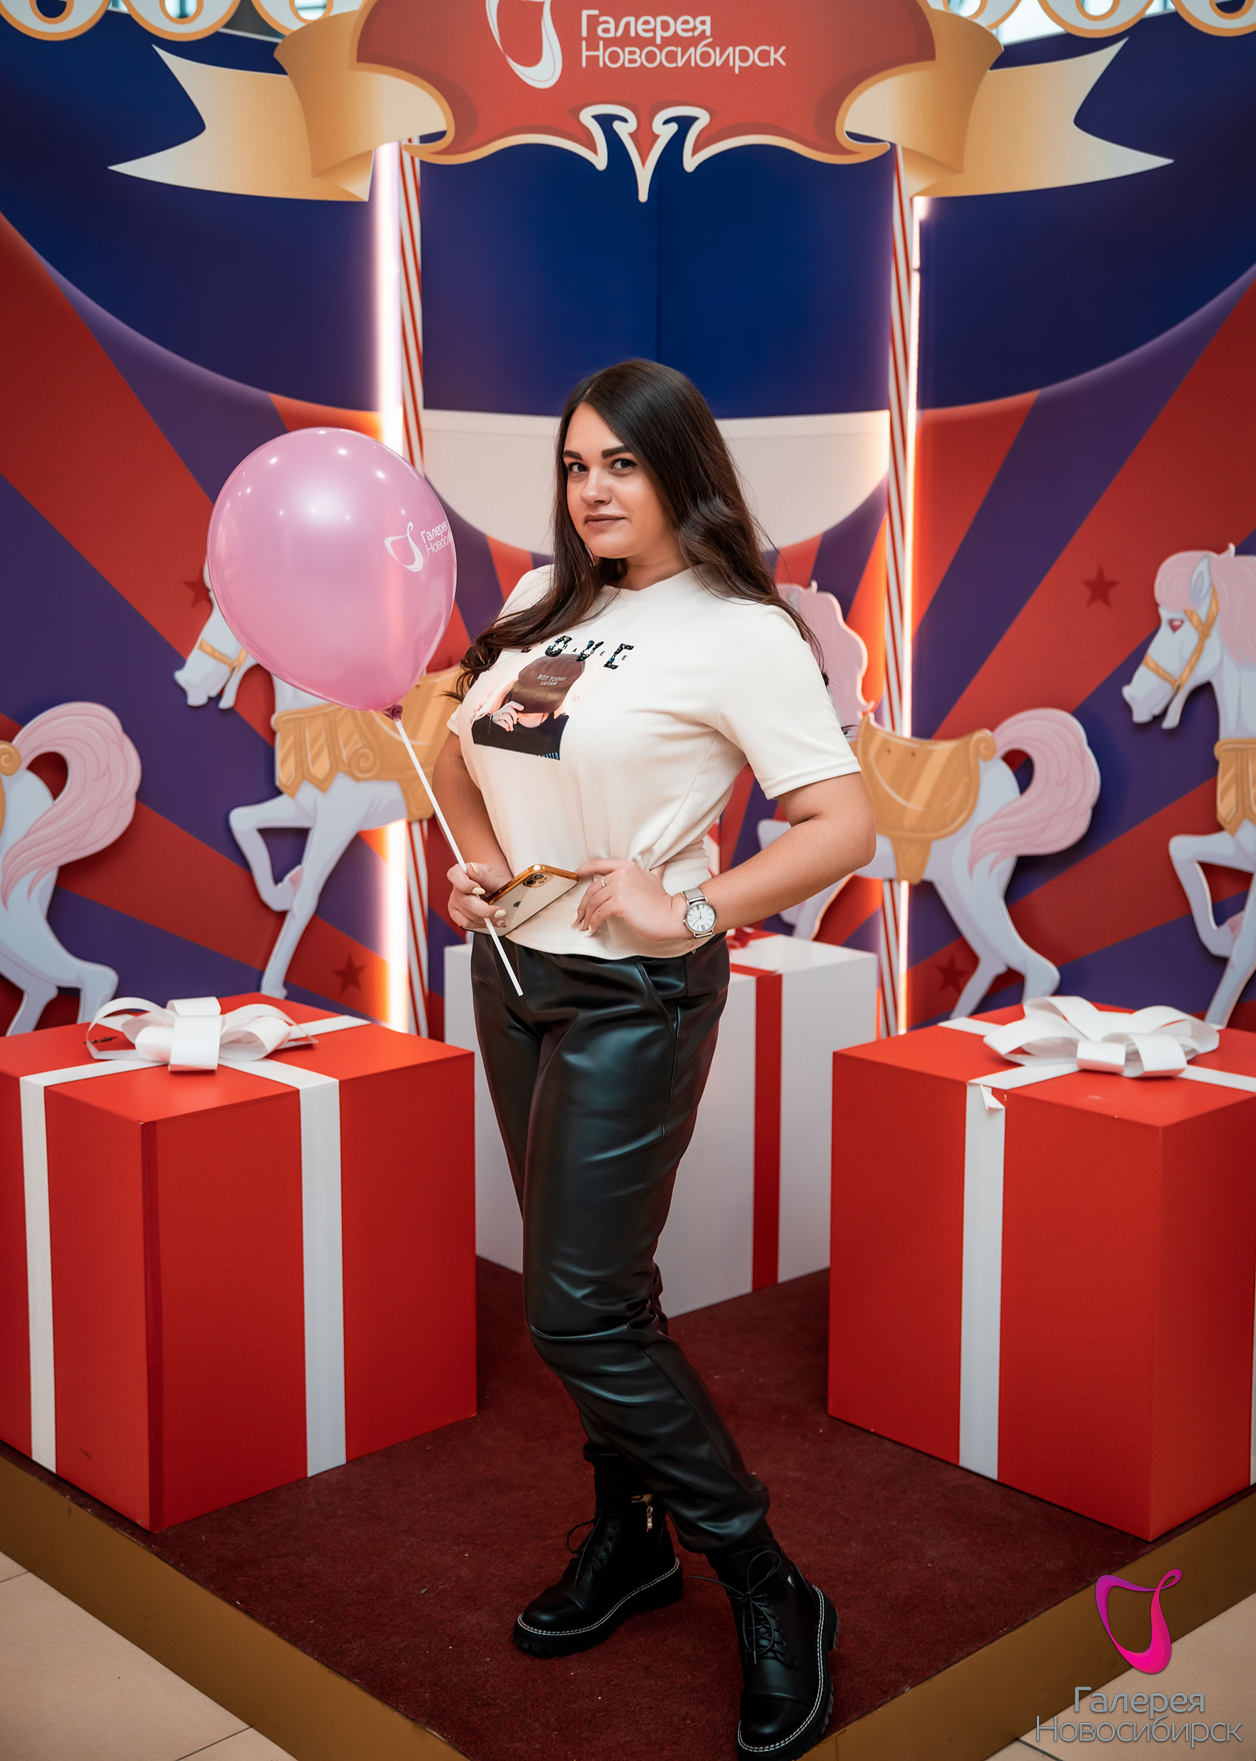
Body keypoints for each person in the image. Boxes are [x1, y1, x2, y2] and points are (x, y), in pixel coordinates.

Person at [431, 359, 875, 1761]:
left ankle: (769, 1581)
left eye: (621, 462)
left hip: (635, 994)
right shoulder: (538, 604)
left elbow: (844, 824)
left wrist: (692, 909)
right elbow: (454, 748)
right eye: (575, 466)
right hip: (515, 977)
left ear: (684, 470)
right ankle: (629, 1535)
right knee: (604, 1290)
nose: (592, 490)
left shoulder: (743, 632)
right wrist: (483, 862)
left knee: (571, 1312)